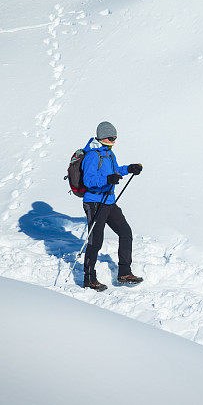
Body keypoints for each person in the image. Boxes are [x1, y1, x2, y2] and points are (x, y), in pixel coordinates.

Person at [80, 121, 144, 290]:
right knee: (95, 241)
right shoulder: (92, 155)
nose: (114, 140)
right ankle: (89, 278)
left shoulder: (109, 153)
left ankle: (124, 273)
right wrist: (107, 180)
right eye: (111, 137)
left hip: (109, 201)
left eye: (115, 137)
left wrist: (129, 169)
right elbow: (88, 180)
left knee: (125, 232)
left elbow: (115, 171)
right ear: (102, 137)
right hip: (94, 201)